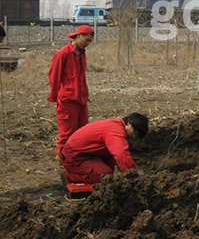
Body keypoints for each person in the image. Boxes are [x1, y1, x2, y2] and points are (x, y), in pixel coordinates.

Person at [48, 24, 95, 160]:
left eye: (90, 41)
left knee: (82, 131)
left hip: (81, 100)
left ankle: (77, 158)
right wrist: (55, 97)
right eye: (86, 40)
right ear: (78, 36)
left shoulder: (82, 54)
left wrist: (84, 95)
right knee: (66, 134)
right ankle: (62, 160)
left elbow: (81, 77)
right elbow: (54, 77)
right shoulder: (62, 54)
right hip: (67, 100)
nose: (88, 44)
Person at [61, 113, 148, 184]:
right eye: (135, 133)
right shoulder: (115, 131)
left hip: (85, 153)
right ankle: (69, 176)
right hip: (73, 158)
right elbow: (121, 153)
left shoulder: (115, 124)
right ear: (129, 124)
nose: (133, 136)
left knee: (110, 162)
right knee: (105, 176)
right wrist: (132, 173)